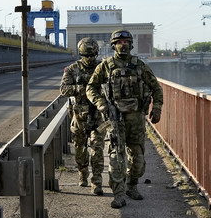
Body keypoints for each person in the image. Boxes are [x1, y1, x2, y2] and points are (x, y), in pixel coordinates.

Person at [86, 29, 163, 208]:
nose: (123, 45)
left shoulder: (140, 65)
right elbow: (91, 87)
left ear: (131, 44)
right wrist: (101, 104)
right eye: (119, 42)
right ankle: (118, 194)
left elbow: (156, 88)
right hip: (116, 119)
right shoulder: (106, 66)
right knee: (116, 158)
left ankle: (132, 186)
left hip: (136, 119)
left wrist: (157, 107)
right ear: (114, 45)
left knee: (138, 160)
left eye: (126, 42)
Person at [60, 37, 106, 195]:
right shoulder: (72, 69)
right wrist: (80, 89)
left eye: (92, 55)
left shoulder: (102, 68)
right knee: (80, 148)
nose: (89, 59)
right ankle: (83, 173)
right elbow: (63, 90)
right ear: (81, 54)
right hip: (79, 116)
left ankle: (97, 181)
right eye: (86, 56)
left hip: (98, 115)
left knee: (97, 148)